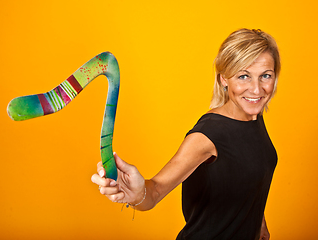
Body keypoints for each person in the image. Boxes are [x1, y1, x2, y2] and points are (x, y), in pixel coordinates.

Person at [91, 28, 280, 240]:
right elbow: (155, 191)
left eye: (265, 76)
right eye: (243, 76)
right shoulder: (208, 135)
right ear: (224, 79)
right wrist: (137, 193)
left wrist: (258, 224)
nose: (256, 90)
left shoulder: (253, 116)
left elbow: (248, 178)